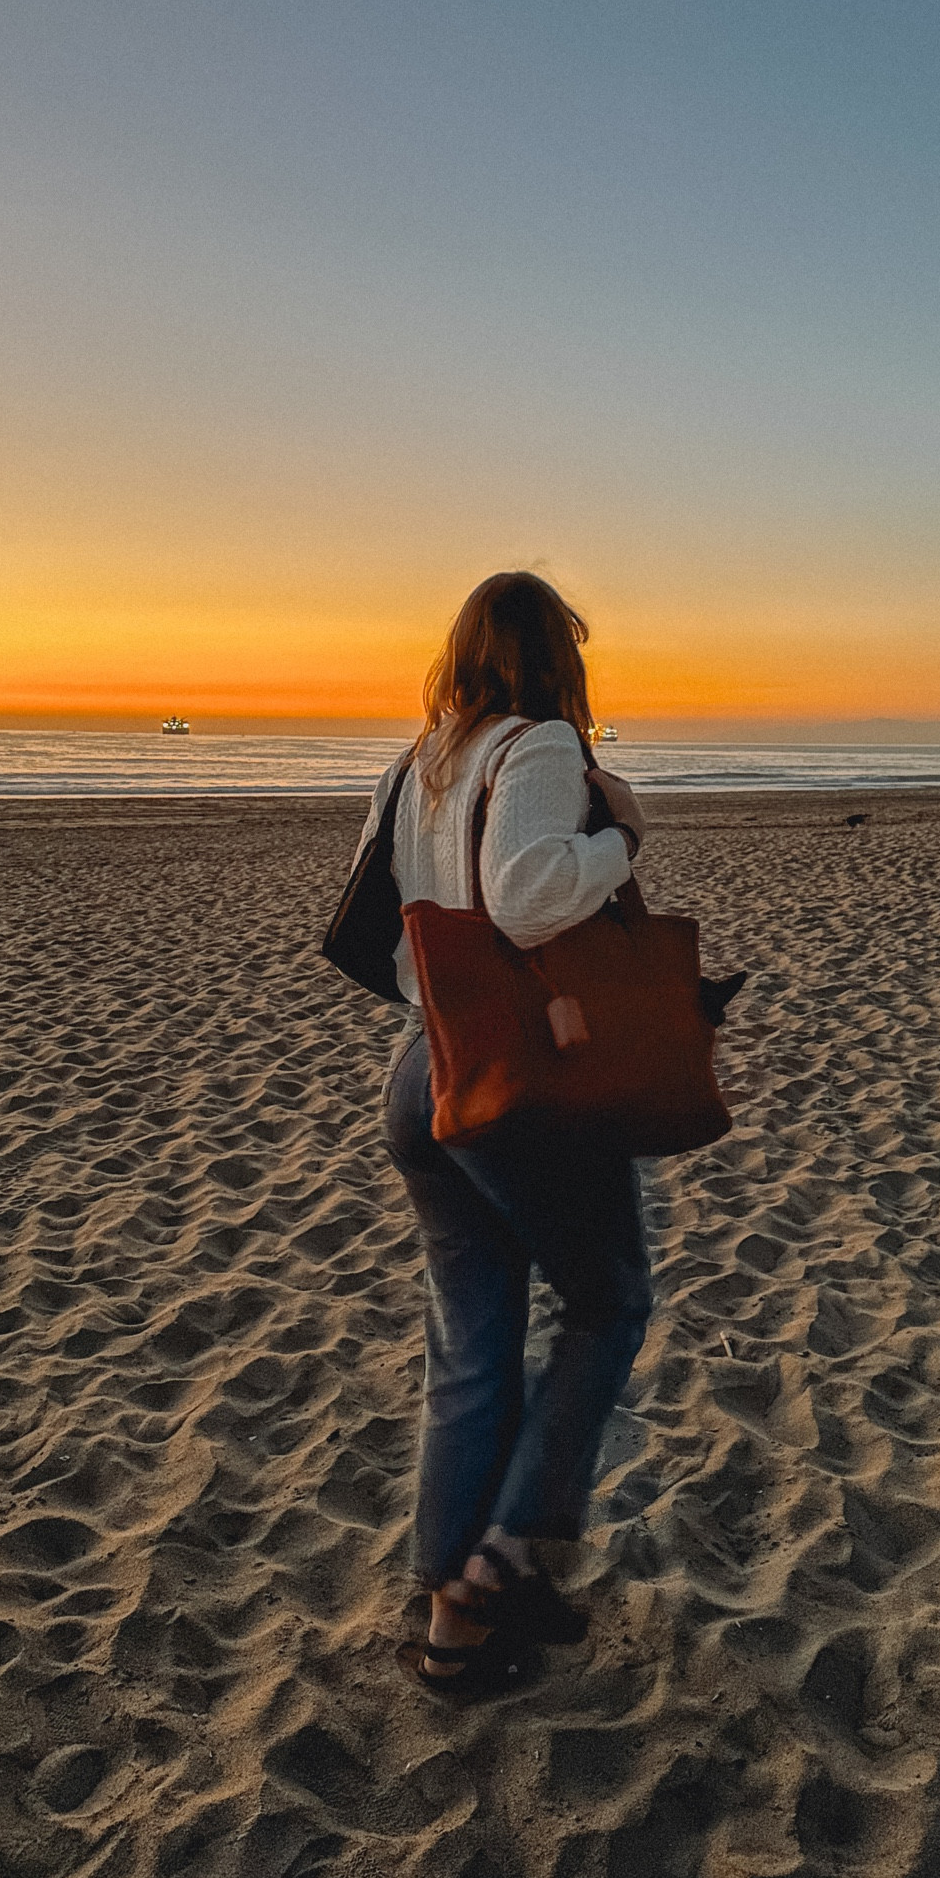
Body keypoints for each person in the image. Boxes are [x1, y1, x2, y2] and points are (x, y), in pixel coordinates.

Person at [353, 571, 651, 1695]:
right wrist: (622, 836)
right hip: (515, 1083)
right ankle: (495, 1579)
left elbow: (395, 940)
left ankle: (459, 1616)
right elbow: (526, 897)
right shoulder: (537, 747)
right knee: (610, 1300)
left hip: (422, 1072)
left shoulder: (418, 761)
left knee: (472, 1347)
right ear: (554, 653)